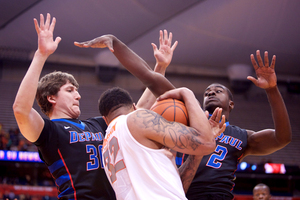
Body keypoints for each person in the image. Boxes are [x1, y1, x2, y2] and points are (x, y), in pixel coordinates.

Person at [13, 13, 177, 199]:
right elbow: (21, 110)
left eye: (77, 90)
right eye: (70, 90)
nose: (78, 95)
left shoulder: (99, 124)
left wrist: (160, 68)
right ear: (51, 97)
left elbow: (137, 111)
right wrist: (41, 55)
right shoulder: (50, 132)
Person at [177, 50, 292, 200]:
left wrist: (271, 89)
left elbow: (282, 138)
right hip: (185, 194)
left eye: (218, 91)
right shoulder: (188, 125)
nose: (211, 93)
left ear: (231, 104)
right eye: (207, 93)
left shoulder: (243, 136)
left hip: (221, 195)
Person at [99, 86, 226, 200]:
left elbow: (175, 187)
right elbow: (207, 143)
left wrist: (197, 152)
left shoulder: (106, 144)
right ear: (134, 107)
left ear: (105, 119)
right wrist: (186, 93)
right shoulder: (136, 119)